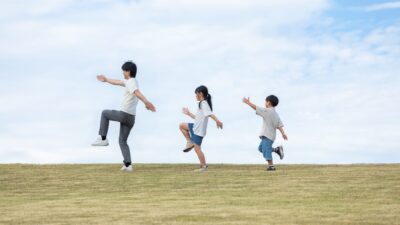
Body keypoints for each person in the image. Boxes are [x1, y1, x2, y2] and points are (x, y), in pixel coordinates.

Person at [91, 61, 156, 172]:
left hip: (124, 115)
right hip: (131, 118)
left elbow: (137, 93)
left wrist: (147, 102)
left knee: (104, 113)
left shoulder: (131, 82)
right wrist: (106, 80)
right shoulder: (130, 82)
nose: (122, 72)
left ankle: (102, 138)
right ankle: (128, 165)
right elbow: (118, 82)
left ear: (128, 71)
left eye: (123, 70)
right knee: (122, 141)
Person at [179, 85, 223, 172]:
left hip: (198, 131)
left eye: (196, 94)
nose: (195, 96)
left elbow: (210, 114)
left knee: (197, 149)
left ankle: (204, 167)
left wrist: (217, 120)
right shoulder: (201, 104)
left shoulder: (203, 103)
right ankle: (189, 142)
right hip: (195, 127)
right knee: (181, 126)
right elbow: (197, 118)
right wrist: (188, 113)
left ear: (200, 93)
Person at [242, 95, 288, 171]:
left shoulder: (267, 111)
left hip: (267, 136)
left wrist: (248, 103)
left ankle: (271, 166)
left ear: (269, 102)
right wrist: (283, 134)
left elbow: (256, 108)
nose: (265, 103)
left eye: (265, 101)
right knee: (261, 148)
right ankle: (277, 150)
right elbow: (279, 125)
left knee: (266, 150)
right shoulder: (275, 114)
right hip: (270, 136)